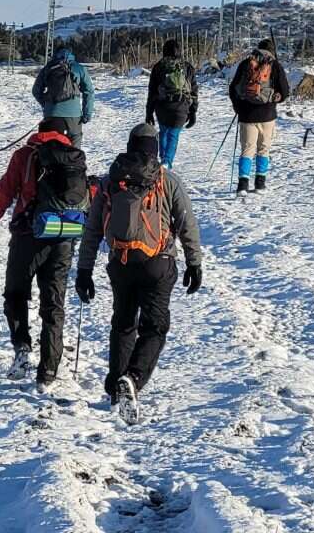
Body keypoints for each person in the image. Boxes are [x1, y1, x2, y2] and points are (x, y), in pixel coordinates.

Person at [74, 123, 203, 424]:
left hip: (120, 262)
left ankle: (116, 386)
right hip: (158, 262)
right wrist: (194, 262)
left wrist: (84, 271)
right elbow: (186, 223)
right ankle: (132, 378)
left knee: (122, 324)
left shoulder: (110, 181)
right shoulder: (166, 179)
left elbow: (92, 230)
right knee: (155, 327)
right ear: (155, 148)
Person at [0, 117, 89, 394]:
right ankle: (48, 371)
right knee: (53, 304)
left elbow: (7, 190)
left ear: (39, 133)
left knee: (15, 293)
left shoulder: (25, 155)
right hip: (64, 235)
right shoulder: (75, 157)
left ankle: (22, 346)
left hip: (28, 236)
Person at [228, 39, 290, 194]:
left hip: (247, 115)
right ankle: (260, 184)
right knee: (263, 149)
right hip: (268, 114)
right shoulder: (275, 65)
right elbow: (285, 91)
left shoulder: (246, 64)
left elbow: (233, 88)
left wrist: (238, 107)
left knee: (247, 150)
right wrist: (276, 98)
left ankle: (242, 185)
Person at [144, 39, 198, 169]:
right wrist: (193, 111)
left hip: (162, 106)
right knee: (173, 134)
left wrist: (149, 113)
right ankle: (167, 162)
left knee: (163, 132)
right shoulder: (187, 67)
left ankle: (162, 159)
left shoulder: (158, 67)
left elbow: (152, 91)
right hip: (181, 106)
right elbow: (194, 90)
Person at [31, 48, 94, 145]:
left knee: (48, 148)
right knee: (74, 151)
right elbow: (89, 92)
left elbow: (36, 91)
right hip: (74, 117)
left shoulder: (48, 68)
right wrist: (87, 114)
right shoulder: (79, 68)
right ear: (71, 56)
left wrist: (46, 104)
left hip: (51, 115)